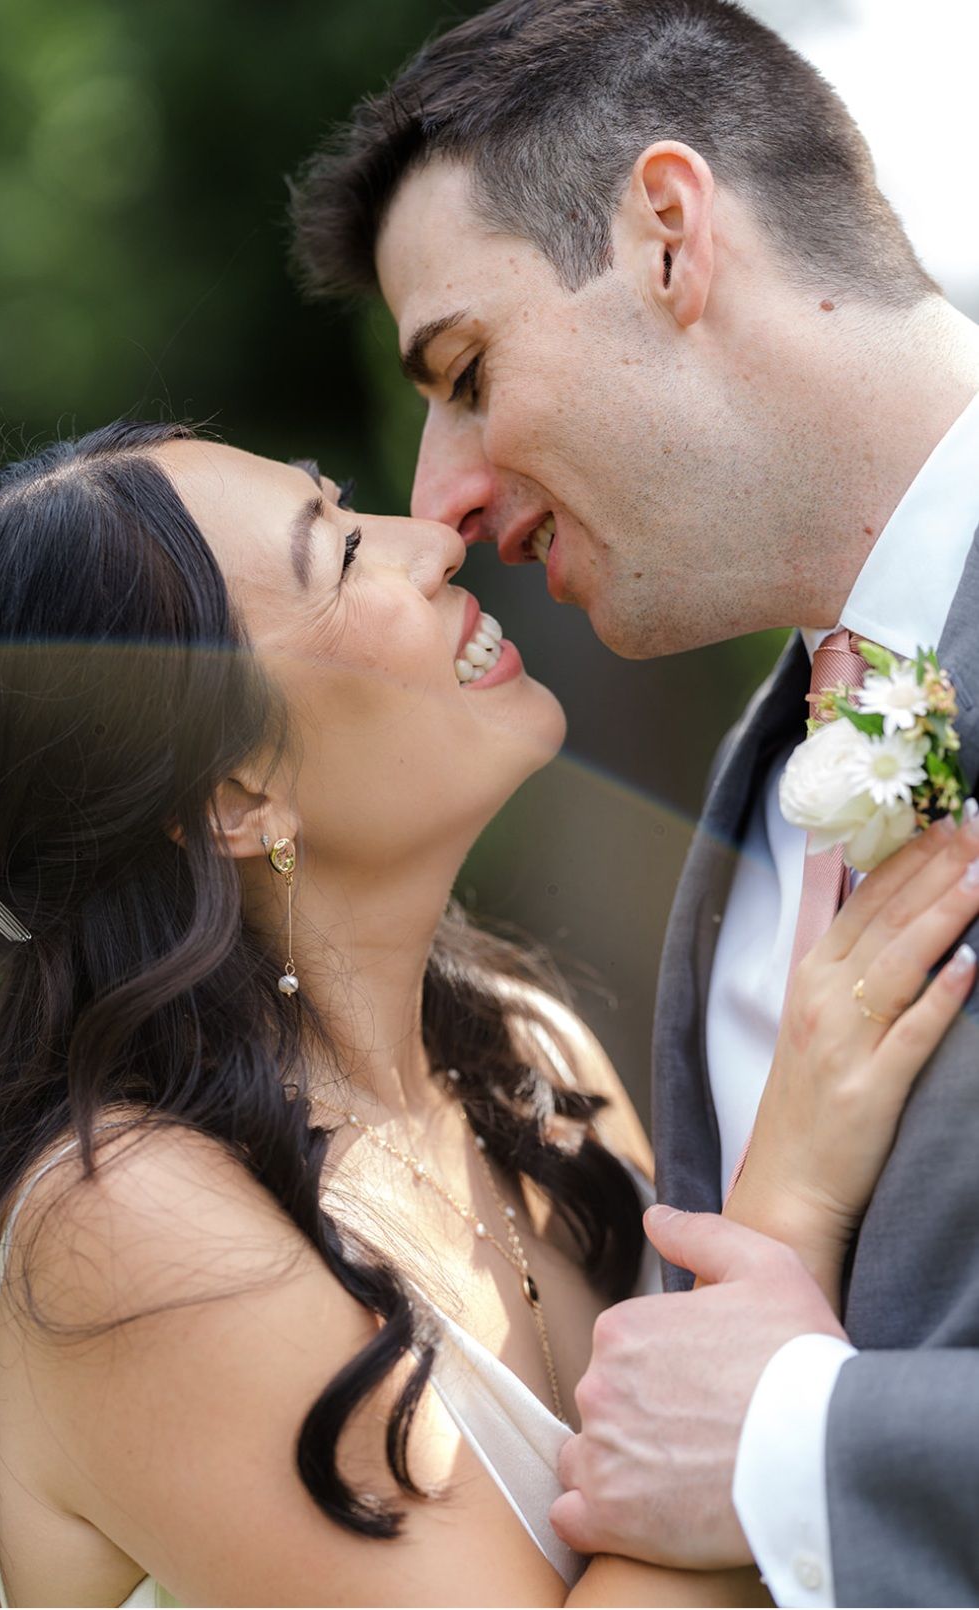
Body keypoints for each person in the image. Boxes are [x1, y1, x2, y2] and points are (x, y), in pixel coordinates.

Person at [0, 422, 974, 1608]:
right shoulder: (125, 1229)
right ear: (237, 791)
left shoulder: (528, 1055)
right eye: (334, 556)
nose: (434, 539)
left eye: (348, 507)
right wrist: (790, 1194)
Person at [291, 0, 979, 1603]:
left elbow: (772, 1430)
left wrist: (808, 1449)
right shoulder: (769, 799)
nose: (439, 499)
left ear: (670, 236)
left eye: (465, 369)